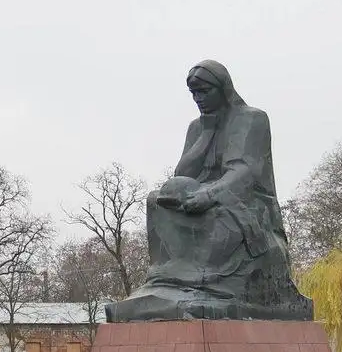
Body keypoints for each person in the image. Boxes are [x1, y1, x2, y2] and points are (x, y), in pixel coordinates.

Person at [106, 60, 312, 322]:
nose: (198, 99)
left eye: (204, 91)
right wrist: (207, 132)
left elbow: (244, 172)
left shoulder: (252, 119)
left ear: (223, 88)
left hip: (246, 203)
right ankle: (168, 275)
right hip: (200, 196)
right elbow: (183, 174)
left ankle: (205, 282)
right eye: (194, 93)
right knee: (157, 201)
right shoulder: (197, 126)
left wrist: (210, 195)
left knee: (217, 212)